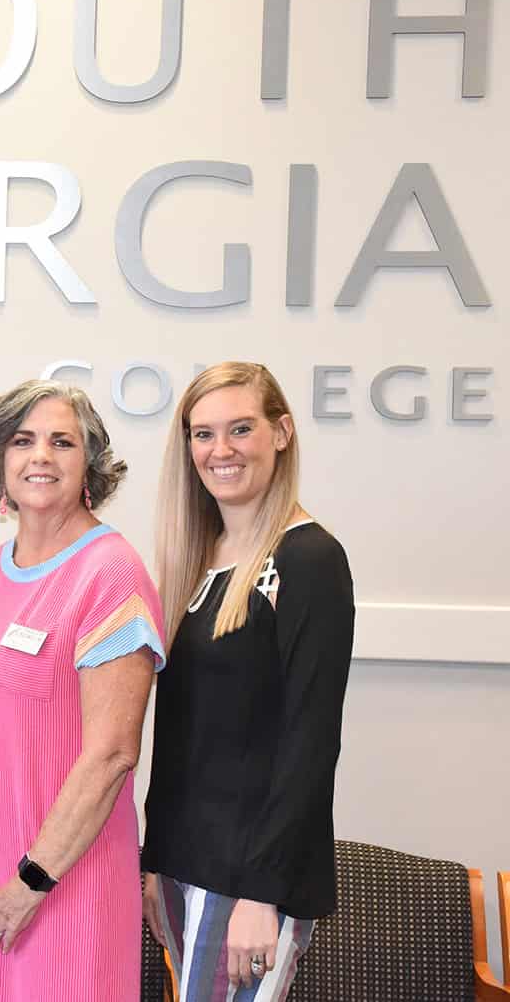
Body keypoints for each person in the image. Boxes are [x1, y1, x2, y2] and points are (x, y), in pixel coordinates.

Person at [0, 379, 166, 1002]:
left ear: (88, 464)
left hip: (61, 888)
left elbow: (113, 754)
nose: (41, 456)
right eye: (23, 440)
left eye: (62, 442)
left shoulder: (111, 572)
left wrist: (30, 883)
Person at [142, 362, 355, 1002]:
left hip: (252, 879)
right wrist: (155, 860)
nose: (221, 450)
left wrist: (263, 892)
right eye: (202, 434)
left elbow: (311, 742)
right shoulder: (195, 562)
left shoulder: (310, 559)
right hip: (185, 865)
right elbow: (183, 736)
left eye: (240, 428)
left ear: (282, 432)